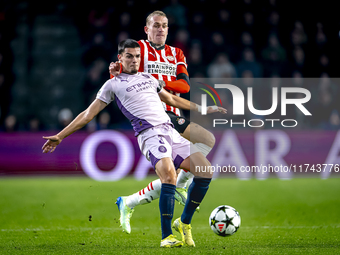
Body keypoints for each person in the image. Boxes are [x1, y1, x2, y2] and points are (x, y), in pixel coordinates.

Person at [42, 39, 226, 248]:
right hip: (149, 134)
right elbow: (87, 114)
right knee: (169, 175)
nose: (134, 60)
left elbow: (173, 101)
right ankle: (166, 236)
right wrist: (60, 135)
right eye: (129, 56)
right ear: (120, 58)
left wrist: (203, 109)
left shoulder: (149, 78)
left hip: (169, 130)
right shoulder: (112, 84)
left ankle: (184, 222)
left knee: (206, 170)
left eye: (137, 56)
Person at [109, 10, 217, 234]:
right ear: (147, 29)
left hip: (172, 111)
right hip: (153, 114)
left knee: (206, 142)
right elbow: (120, 77)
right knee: (180, 168)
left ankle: (130, 201)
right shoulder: (137, 49)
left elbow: (184, 86)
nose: (160, 29)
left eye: (164, 25)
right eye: (156, 25)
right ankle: (178, 190)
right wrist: (113, 74)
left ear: (168, 29)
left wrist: (157, 81)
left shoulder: (176, 53)